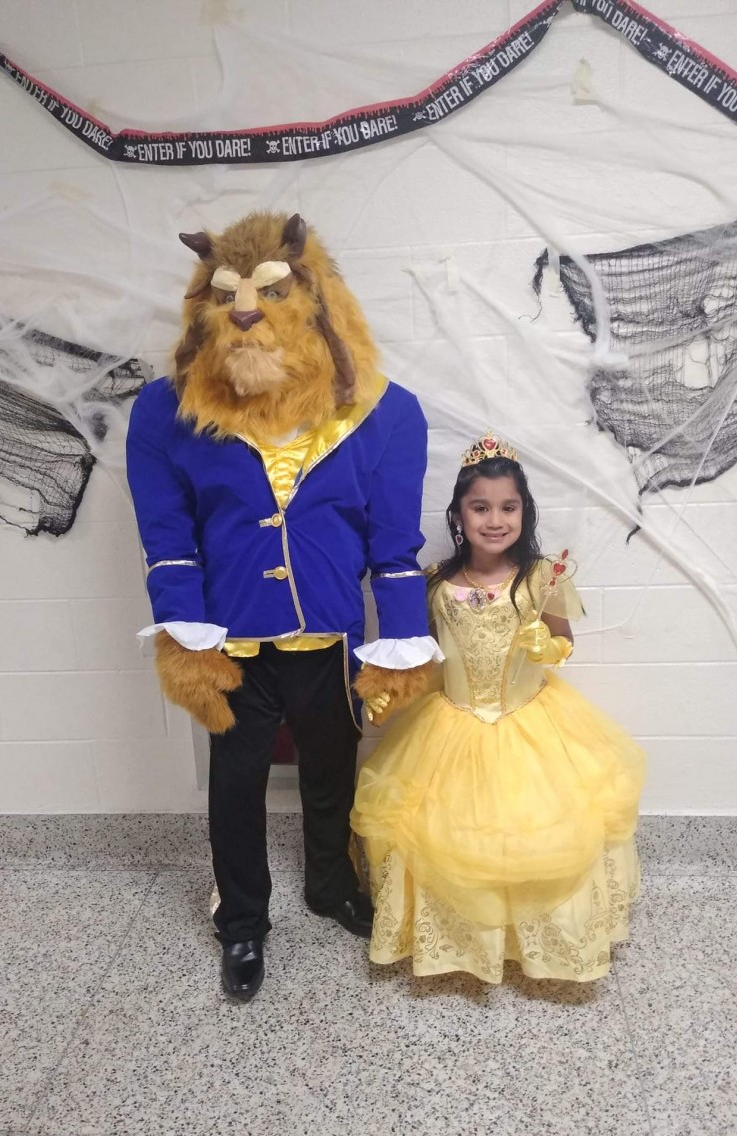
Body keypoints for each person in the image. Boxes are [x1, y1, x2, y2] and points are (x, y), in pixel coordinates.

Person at [126, 211, 439, 1002]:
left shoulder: (383, 412)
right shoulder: (163, 414)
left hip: (328, 639)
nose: (244, 312)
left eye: (267, 291)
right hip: (230, 642)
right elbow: (168, 539)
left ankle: (330, 886)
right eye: (226, 295)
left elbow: (392, 546)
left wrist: (400, 645)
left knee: (332, 771)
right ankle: (241, 919)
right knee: (234, 781)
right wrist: (185, 640)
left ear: (312, 296)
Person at [351, 432, 644, 983]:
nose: (495, 519)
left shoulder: (544, 577)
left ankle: (530, 940)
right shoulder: (436, 582)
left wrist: (548, 647)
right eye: (480, 507)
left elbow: (564, 642)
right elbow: (428, 658)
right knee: (449, 832)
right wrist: (391, 690)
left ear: (524, 511)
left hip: (528, 721)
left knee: (534, 827)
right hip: (452, 722)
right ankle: (464, 941)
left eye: (508, 507)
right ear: (459, 514)